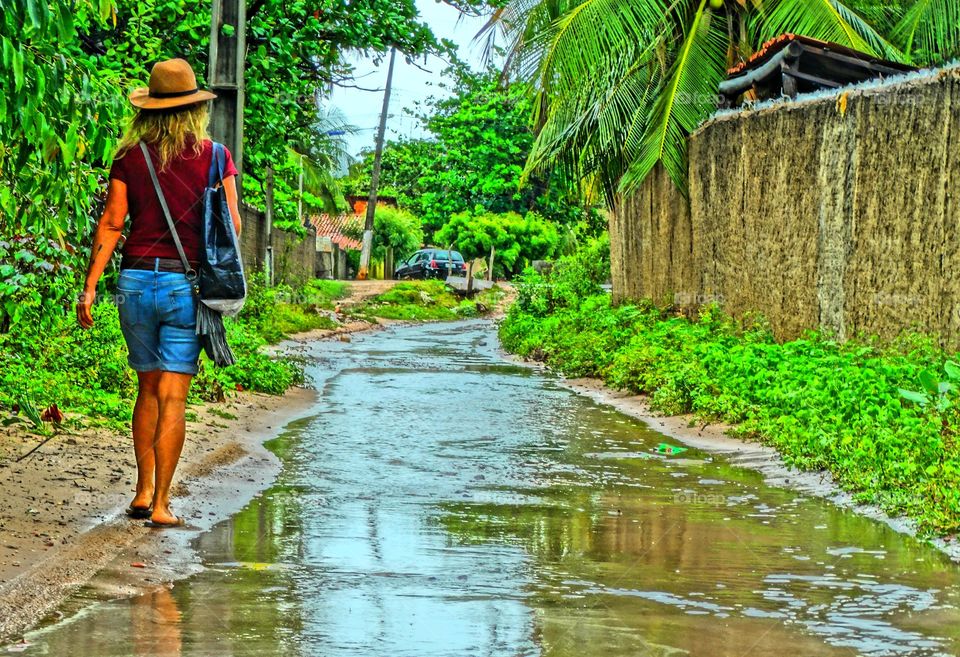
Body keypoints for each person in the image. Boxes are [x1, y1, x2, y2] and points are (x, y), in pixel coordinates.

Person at [76, 58, 242, 528]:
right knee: (173, 396)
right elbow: (228, 225)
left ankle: (142, 489)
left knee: (145, 388)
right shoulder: (215, 157)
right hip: (185, 286)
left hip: (134, 283)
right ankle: (163, 505)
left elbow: (112, 223)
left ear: (149, 108)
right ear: (195, 108)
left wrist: (89, 287)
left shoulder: (131, 156)